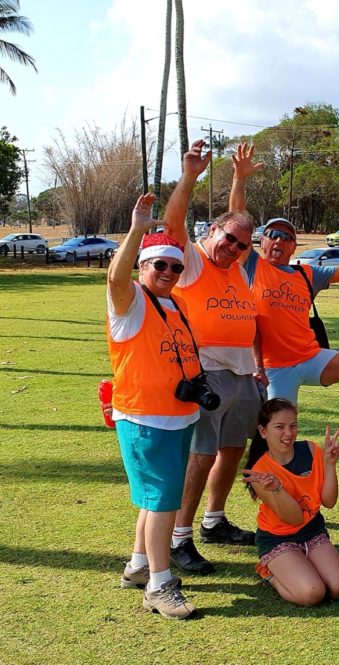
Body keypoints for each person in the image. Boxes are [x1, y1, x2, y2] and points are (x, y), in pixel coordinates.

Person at [225, 144, 339, 447]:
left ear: (295, 246)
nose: (279, 241)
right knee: (279, 432)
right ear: (262, 241)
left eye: (286, 237)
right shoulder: (251, 265)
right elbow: (236, 218)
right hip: (274, 369)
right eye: (273, 235)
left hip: (311, 357)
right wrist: (239, 178)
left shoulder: (306, 274)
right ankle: (271, 480)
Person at [161, 140, 259, 575]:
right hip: (209, 373)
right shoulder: (195, 261)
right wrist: (190, 177)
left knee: (232, 449)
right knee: (201, 454)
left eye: (242, 245)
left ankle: (214, 521)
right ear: (210, 233)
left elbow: (238, 217)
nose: (234, 248)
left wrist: (239, 180)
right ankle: (180, 537)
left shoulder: (236, 266)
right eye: (228, 240)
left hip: (243, 373)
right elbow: (173, 220)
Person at [106, 192, 200, 619]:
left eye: (175, 266)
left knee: (157, 497)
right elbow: (114, 279)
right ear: (143, 266)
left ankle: (139, 565)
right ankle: (160, 585)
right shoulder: (130, 302)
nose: (167, 272)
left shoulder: (173, 303)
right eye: (158, 264)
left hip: (179, 415)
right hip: (145, 417)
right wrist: (137, 230)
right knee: (163, 500)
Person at [242, 398, 339, 606]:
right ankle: (268, 572)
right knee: (312, 594)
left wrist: (329, 464)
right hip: (278, 538)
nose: (288, 433)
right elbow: (294, 518)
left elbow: (329, 501)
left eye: (293, 426)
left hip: (313, 531)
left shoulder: (310, 450)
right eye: (279, 427)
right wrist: (277, 490)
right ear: (263, 432)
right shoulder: (260, 471)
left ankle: (302, 563)